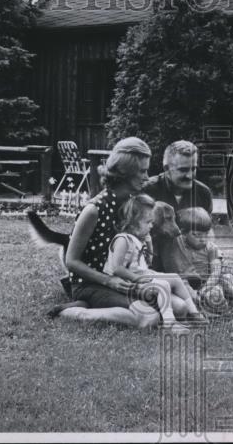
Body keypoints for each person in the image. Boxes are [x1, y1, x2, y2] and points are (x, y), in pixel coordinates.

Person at [50, 137, 158, 328]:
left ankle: (92, 305)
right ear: (125, 172)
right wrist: (109, 282)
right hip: (89, 283)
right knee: (147, 317)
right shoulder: (94, 210)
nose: (146, 177)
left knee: (160, 301)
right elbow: (72, 261)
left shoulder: (131, 204)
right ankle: (75, 312)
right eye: (142, 171)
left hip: (121, 280)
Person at [104, 194, 208, 335]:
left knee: (175, 277)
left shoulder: (138, 239)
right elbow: (116, 268)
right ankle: (169, 323)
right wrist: (137, 279)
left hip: (141, 274)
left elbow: (148, 262)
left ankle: (194, 313)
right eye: (148, 222)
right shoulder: (123, 239)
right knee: (163, 285)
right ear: (134, 222)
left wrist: (148, 243)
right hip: (128, 280)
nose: (151, 226)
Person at [162, 207, 233, 314]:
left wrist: (207, 287)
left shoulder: (211, 248)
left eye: (206, 234)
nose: (203, 239)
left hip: (210, 282)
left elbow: (216, 272)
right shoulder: (179, 245)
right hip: (188, 284)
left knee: (226, 278)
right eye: (196, 235)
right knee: (188, 291)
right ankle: (202, 305)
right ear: (184, 234)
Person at [143, 141, 214, 270]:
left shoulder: (203, 193)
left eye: (193, 169)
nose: (190, 175)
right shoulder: (148, 191)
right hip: (155, 266)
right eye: (183, 170)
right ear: (166, 168)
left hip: (194, 266)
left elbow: (208, 232)